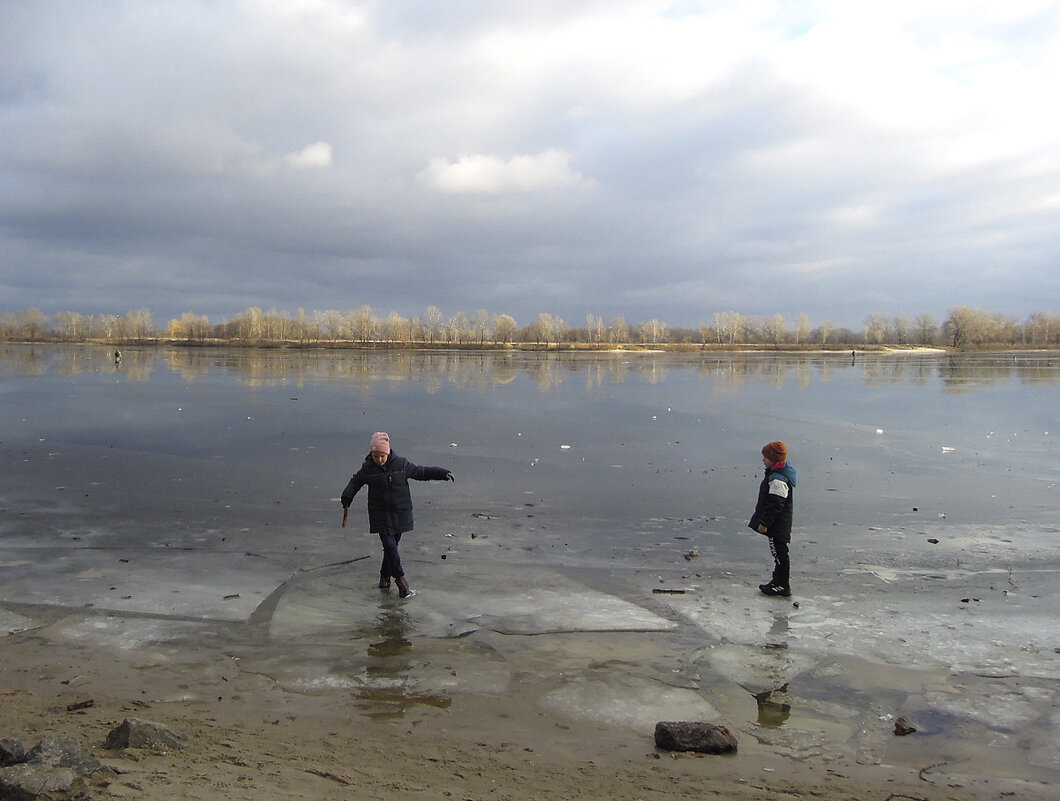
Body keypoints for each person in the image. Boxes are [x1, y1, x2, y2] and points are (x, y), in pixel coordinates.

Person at [340, 432, 454, 598]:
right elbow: (356, 481)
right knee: (390, 546)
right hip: (380, 514)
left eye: (381, 456)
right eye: (375, 456)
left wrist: (442, 473)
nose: (378, 459)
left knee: (391, 548)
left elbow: (421, 472)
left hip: (400, 513)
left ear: (388, 452)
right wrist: (347, 497)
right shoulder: (368, 468)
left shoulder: (401, 464)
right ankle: (400, 580)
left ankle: (384, 577)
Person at [748, 440, 797, 597]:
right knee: (777, 554)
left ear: (774, 459)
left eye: (766, 457)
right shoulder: (776, 475)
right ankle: (777, 581)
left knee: (779, 554)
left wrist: (764, 523)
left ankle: (782, 585)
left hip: (777, 526)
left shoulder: (778, 479)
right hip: (777, 525)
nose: (763, 460)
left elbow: (776, 505)